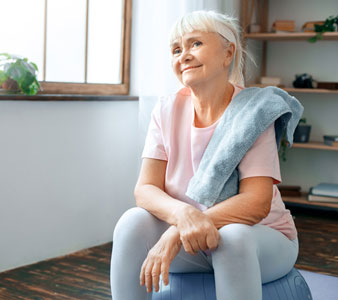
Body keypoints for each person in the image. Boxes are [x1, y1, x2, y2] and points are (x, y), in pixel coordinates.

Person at [110, 10, 299, 300]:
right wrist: (184, 215)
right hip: (193, 240)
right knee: (131, 222)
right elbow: (145, 189)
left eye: (195, 44)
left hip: (261, 238)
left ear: (228, 53)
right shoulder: (165, 109)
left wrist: (174, 232)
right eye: (176, 49)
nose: (183, 55)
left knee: (232, 238)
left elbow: (256, 203)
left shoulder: (254, 112)